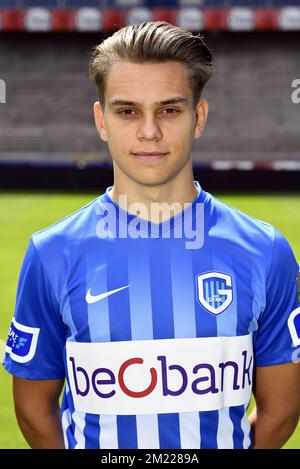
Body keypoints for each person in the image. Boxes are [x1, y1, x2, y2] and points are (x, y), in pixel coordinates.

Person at [3, 21, 300, 450]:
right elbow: (33, 410)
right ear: (101, 119)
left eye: (169, 110)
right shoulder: (51, 253)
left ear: (197, 118)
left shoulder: (265, 251)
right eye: (127, 111)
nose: (149, 132)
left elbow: (281, 409)